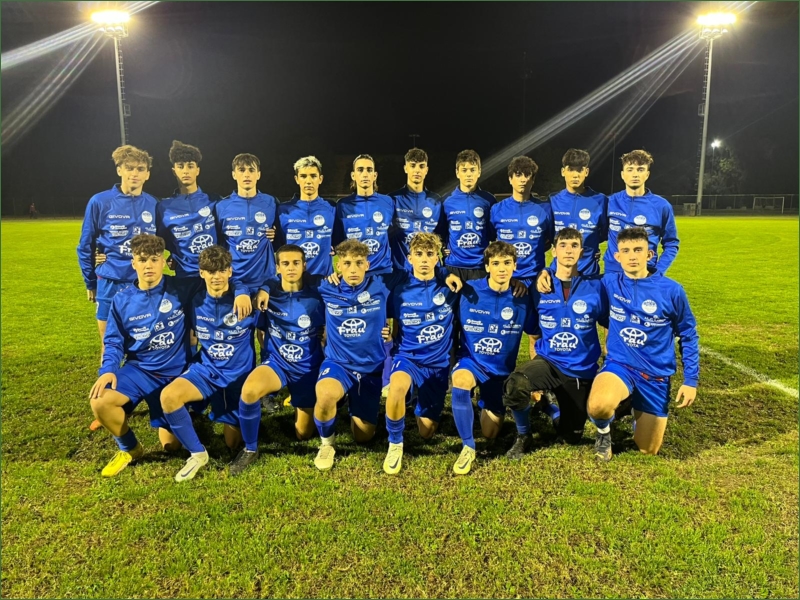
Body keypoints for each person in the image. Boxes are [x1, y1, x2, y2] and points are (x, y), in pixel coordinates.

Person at [587, 226, 698, 461]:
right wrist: (546, 272)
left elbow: (688, 334)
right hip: (620, 367)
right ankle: (604, 433)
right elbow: (573, 278)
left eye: (638, 250)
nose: (632, 256)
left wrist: (690, 380)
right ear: (617, 257)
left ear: (649, 254)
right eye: (626, 251)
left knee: (648, 450)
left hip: (655, 376)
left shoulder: (672, 291)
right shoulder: (609, 282)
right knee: (598, 406)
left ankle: (631, 405)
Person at [88, 234, 192, 477]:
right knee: (100, 401)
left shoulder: (181, 288)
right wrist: (108, 370)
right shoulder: (121, 300)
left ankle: (181, 411)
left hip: (174, 374)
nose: (148, 266)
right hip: (139, 371)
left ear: (164, 262)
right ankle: (130, 449)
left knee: (171, 446)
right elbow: (113, 341)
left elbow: (218, 279)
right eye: (142, 260)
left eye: (154, 259)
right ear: (133, 263)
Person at [502, 228, 608, 458]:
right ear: (554, 251)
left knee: (571, 436)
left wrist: (608, 357)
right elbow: (533, 331)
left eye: (574, 245)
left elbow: (609, 323)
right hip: (549, 363)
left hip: (580, 370)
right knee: (517, 383)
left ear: (582, 252)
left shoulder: (597, 287)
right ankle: (523, 435)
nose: (568, 250)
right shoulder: (539, 287)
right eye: (563, 245)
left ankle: (550, 409)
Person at [158, 245, 259, 482]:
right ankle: (197, 454)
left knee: (232, 443)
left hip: (237, 376)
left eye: (222, 270)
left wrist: (245, 291)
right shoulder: (193, 299)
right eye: (211, 271)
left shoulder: (247, 301)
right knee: (169, 397)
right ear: (201, 273)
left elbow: (269, 286)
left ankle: (217, 412)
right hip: (206, 370)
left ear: (230, 271)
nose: (217, 277)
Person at [233, 244, 326, 475]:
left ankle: (307, 401)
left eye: (296, 263)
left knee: (303, 434)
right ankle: (250, 449)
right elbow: (260, 330)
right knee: (249, 391)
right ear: (278, 268)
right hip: (278, 363)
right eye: (285, 263)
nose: (291, 268)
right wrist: (268, 355)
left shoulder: (318, 295)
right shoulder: (268, 296)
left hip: (308, 367)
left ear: (304, 266)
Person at [450, 241, 534, 475]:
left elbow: (536, 335)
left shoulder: (523, 296)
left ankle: (484, 403)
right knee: (460, 381)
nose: (502, 269)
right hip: (472, 362)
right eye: (495, 263)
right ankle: (468, 447)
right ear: (487, 267)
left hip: (500, 372)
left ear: (515, 266)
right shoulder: (468, 290)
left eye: (507, 263)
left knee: (491, 432)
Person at [311, 240, 394, 471]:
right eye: (347, 263)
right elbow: (292, 283)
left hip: (371, 368)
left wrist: (446, 274)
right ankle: (327, 444)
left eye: (359, 263)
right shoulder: (326, 287)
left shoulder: (382, 285)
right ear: (338, 266)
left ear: (367, 265)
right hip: (339, 364)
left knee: (363, 436)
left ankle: (351, 402)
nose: (353, 269)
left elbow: (419, 274)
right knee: (325, 395)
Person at [383, 232, 460, 474]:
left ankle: (419, 400)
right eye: (418, 254)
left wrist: (446, 274)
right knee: (396, 388)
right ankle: (395, 444)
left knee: (427, 431)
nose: (424, 259)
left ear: (437, 258)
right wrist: (386, 333)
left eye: (429, 254)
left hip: (437, 363)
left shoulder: (450, 287)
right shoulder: (399, 287)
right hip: (408, 357)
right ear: (410, 258)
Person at [77, 145, 158, 353]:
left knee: (144, 345)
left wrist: (173, 258)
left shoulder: (153, 204)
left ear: (147, 174)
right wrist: (90, 282)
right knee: (109, 345)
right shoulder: (100, 201)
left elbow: (166, 239)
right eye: (129, 168)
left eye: (140, 169)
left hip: (143, 284)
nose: (135, 173)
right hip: (110, 283)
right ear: (119, 170)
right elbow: (85, 245)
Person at [490, 155, 553, 352]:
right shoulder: (497, 210)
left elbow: (551, 242)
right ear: (510, 179)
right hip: (507, 281)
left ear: (533, 180)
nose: (523, 179)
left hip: (536, 280)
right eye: (518, 174)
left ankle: (537, 372)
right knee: (504, 332)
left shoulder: (544, 209)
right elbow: (491, 245)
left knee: (537, 334)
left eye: (528, 175)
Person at [156, 140, 223, 307]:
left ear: (197, 170)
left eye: (190, 166)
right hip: (184, 277)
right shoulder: (164, 207)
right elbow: (160, 240)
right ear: (174, 171)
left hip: (214, 275)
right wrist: (173, 254)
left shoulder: (214, 201)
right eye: (180, 166)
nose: (186, 171)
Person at [603, 149, 678, 275]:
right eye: (630, 169)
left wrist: (658, 272)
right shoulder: (610, 202)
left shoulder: (661, 206)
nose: (635, 174)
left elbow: (671, 243)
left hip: (645, 273)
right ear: (622, 174)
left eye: (640, 169)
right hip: (613, 273)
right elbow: (596, 233)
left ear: (647, 174)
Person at [274, 156, 336, 285]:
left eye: (313, 176)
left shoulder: (331, 208)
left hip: (324, 281)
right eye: (303, 176)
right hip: (294, 283)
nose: (308, 181)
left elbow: (340, 240)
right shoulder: (283, 211)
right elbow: (278, 245)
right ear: (296, 179)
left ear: (320, 179)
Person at [547, 148, 608, 277]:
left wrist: (591, 247)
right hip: (559, 273)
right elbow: (548, 234)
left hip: (589, 273)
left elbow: (605, 233)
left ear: (586, 172)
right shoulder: (553, 200)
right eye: (571, 169)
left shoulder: (600, 201)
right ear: (563, 172)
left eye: (579, 170)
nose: (575, 175)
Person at [332, 154, 395, 277]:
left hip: (383, 274)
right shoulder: (343, 205)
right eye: (360, 170)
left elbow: (394, 235)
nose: (365, 174)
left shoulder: (388, 202)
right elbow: (336, 243)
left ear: (375, 175)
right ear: (353, 175)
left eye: (369, 170)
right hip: (354, 274)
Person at [442, 149, 497, 282]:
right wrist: (443, 247)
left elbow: (493, 234)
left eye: (472, 170)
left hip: (480, 267)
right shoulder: (446, 201)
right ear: (457, 172)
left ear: (479, 172)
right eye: (464, 170)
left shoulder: (489, 200)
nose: (468, 174)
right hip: (453, 267)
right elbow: (441, 232)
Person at [388, 148, 445, 271]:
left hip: (429, 271)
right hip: (401, 271)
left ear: (426, 170)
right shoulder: (392, 200)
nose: (417, 170)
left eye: (421, 166)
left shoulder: (436, 201)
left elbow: (444, 234)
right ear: (405, 168)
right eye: (413, 166)